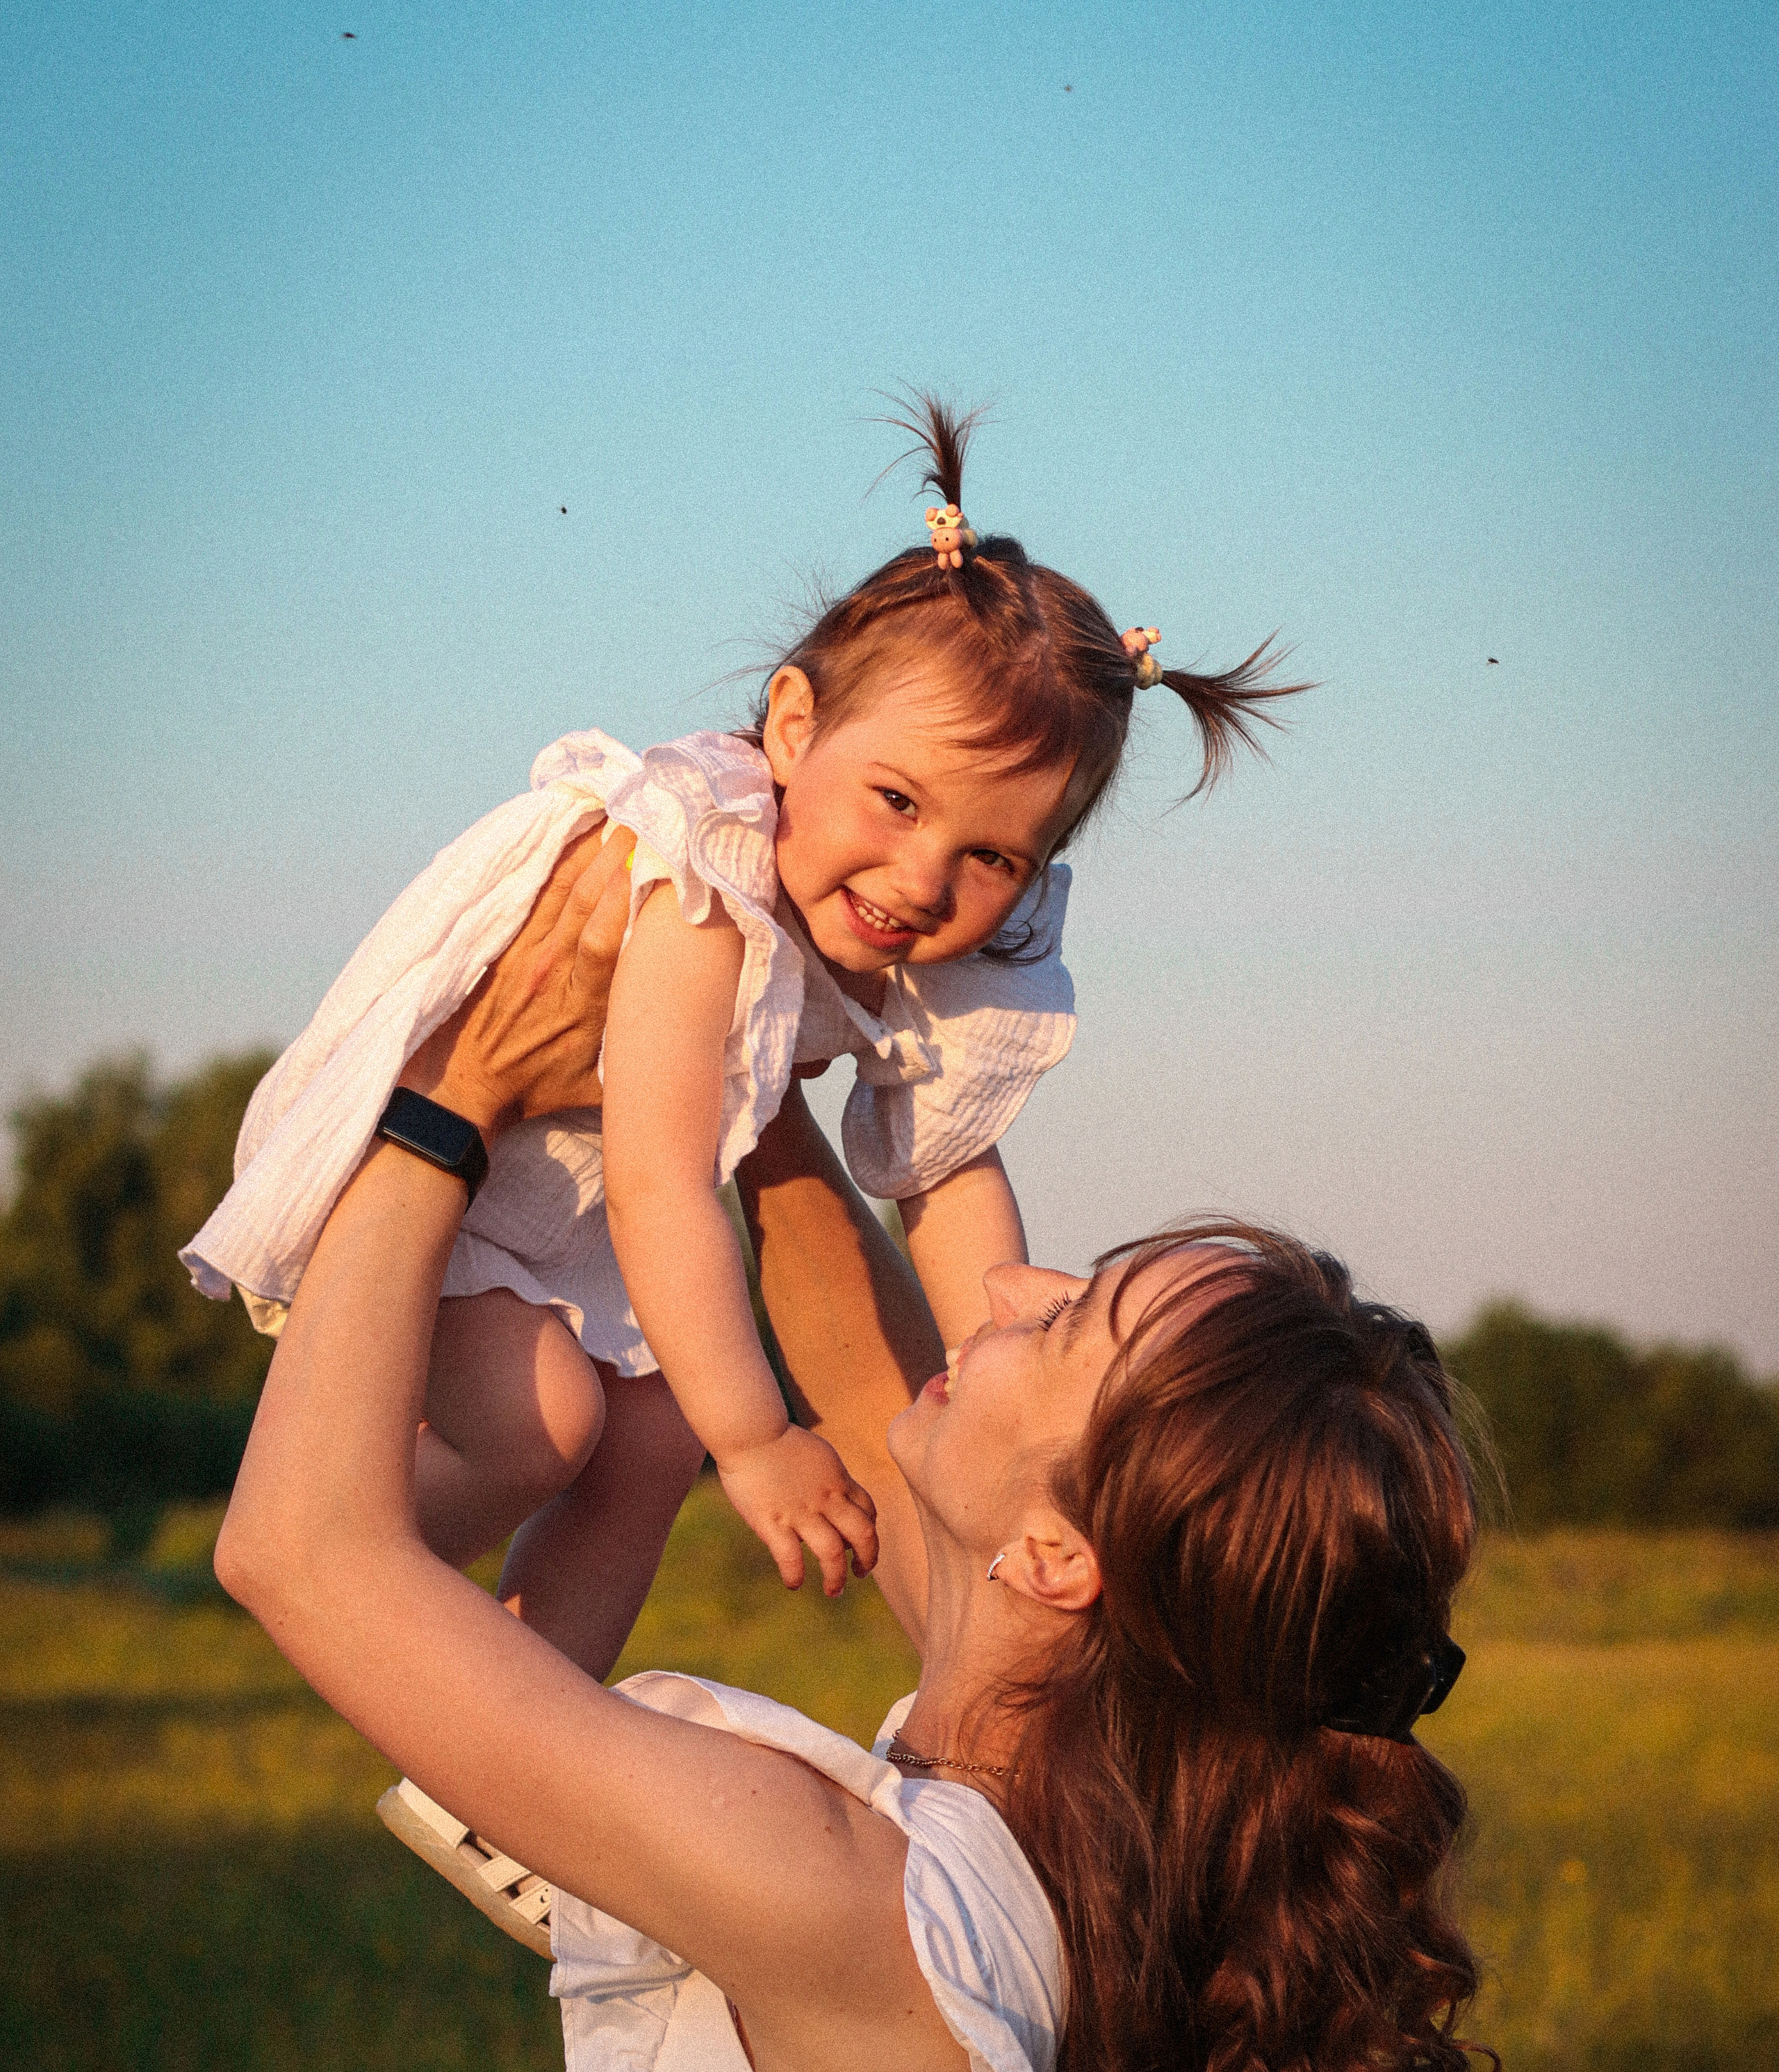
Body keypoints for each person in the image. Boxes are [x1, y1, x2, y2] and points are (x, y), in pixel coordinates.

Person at [215, 842, 1487, 2072]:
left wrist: (445, 1099)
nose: (1017, 1289)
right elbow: (859, 1347)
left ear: (1056, 1555)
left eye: (1076, 1325)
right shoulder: (1106, 1803)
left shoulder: (842, 1894)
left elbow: (300, 1550)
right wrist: (742, 1063)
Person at [185, 400, 1302, 1720]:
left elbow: (946, 1173)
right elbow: (665, 1175)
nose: (922, 879)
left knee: (655, 1434)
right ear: (790, 729)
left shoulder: (946, 931)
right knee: (547, 1418)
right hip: (459, 1165)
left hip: (576, 1205)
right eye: (896, 801)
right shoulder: (696, 874)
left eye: (993, 855)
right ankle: (339, 1587)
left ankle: (523, 1751)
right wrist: (762, 1439)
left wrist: (1032, 1406)